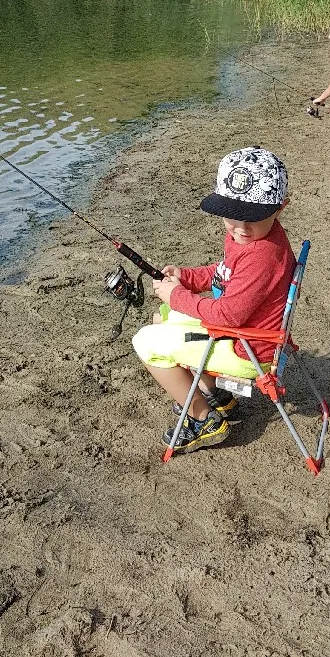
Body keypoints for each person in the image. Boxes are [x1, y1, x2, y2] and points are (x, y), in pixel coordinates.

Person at [132, 147, 295, 455]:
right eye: (233, 216)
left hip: (247, 348)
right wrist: (186, 277)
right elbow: (224, 273)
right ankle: (216, 395)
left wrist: (178, 295)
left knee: (145, 342)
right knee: (162, 316)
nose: (242, 227)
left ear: (280, 207)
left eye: (254, 217)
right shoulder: (255, 238)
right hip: (243, 333)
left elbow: (228, 314)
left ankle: (203, 418)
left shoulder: (261, 255)